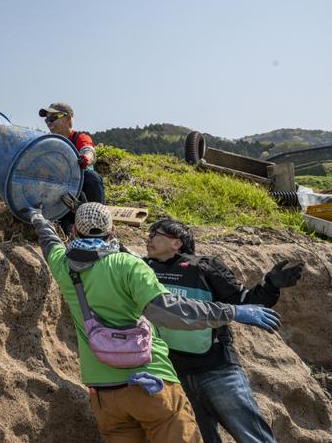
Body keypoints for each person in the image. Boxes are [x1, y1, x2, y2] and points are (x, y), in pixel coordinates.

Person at [24, 202, 282, 443]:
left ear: (74, 230)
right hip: (151, 383)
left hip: (104, 395)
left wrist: (38, 218)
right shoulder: (128, 265)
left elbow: (50, 243)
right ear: (112, 229)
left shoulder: (63, 265)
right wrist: (233, 312)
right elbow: (167, 311)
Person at [144, 218, 304, 443]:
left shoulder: (205, 266)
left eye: (155, 233)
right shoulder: (144, 268)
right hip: (174, 373)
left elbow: (243, 301)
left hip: (217, 370)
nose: (148, 237)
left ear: (176, 243)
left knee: (253, 437)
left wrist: (270, 286)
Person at [38, 103, 105, 230]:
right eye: (47, 120)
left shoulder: (80, 138)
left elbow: (89, 150)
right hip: (58, 195)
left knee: (92, 177)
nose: (48, 122)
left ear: (68, 118)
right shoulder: (48, 143)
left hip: (81, 191)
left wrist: (86, 158)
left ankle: (98, 224)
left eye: (53, 118)